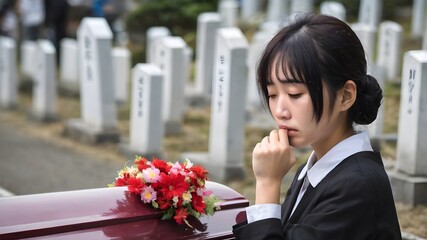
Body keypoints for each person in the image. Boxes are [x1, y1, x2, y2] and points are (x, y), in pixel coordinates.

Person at [232, 13, 402, 240]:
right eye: (272, 94)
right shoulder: (312, 169)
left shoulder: (357, 187)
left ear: (345, 96)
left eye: (295, 94)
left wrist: (267, 183)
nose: (280, 111)